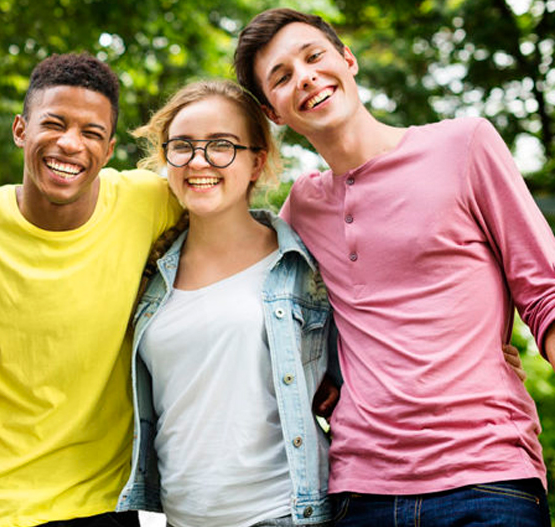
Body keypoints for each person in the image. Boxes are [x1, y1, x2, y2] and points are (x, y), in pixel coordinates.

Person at [234, 8, 555, 525]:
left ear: (348, 59)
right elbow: (279, 324)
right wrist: (328, 374)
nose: (306, 77)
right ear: (274, 112)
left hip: (487, 479)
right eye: (282, 77)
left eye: (314, 56)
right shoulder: (301, 210)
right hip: (358, 493)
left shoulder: (464, 145)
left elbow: (546, 295)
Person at [0, 53, 181, 527]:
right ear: (20, 130)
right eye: (54, 124)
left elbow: (232, 221)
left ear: (109, 149)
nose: (70, 144)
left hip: (104, 502)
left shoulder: (148, 200)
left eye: (91, 133)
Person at [116, 79, 333, 527]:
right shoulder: (148, 274)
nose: (199, 161)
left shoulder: (302, 265)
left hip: (284, 516)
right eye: (183, 146)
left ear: (256, 161)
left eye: (221, 145)